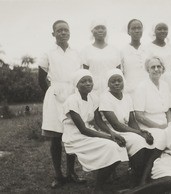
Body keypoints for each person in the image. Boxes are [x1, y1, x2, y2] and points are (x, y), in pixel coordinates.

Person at [62, 69, 128, 193]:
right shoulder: (72, 101)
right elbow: (82, 129)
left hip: (89, 131)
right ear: (76, 84)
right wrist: (108, 137)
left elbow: (99, 121)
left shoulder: (93, 97)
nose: (88, 83)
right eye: (83, 81)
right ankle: (98, 188)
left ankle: (100, 182)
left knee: (118, 147)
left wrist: (111, 133)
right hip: (75, 136)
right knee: (112, 147)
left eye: (90, 81)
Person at [38, 20, 85, 188]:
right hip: (55, 95)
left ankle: (71, 172)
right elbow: (41, 79)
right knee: (56, 138)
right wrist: (52, 93)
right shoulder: (48, 53)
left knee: (71, 133)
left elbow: (81, 75)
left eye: (66, 30)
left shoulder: (76, 53)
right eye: (59, 31)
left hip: (72, 94)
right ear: (53, 34)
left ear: (70, 32)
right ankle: (58, 175)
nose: (63, 33)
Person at [99, 69, 156, 184]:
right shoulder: (105, 97)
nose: (116, 83)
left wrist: (141, 131)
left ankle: (143, 174)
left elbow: (132, 121)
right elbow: (116, 124)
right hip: (112, 131)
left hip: (126, 129)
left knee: (149, 139)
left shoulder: (127, 97)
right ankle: (136, 177)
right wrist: (138, 133)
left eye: (119, 80)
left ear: (123, 81)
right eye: (113, 81)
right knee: (138, 142)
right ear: (108, 84)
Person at [81, 19, 121, 95]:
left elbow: (119, 72)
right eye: (97, 28)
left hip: (112, 90)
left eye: (103, 28)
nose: (100, 30)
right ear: (92, 31)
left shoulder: (114, 50)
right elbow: (84, 74)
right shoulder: (86, 51)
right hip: (93, 91)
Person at [133, 56, 171, 130]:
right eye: (153, 67)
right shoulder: (141, 87)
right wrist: (159, 127)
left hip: (165, 124)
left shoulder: (165, 85)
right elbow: (139, 116)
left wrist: (169, 125)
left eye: (159, 66)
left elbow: (168, 111)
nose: (156, 69)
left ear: (162, 68)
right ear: (148, 70)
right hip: (149, 127)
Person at [147, 22, 171, 91]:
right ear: (154, 31)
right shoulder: (148, 48)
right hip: (157, 80)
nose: (162, 31)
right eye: (159, 29)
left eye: (165, 29)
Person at [121, 19, 149, 95]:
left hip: (147, 90)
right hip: (130, 91)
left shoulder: (148, 50)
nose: (137, 31)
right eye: (133, 28)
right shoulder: (122, 51)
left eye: (139, 28)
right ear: (128, 31)